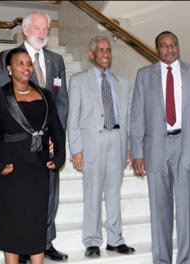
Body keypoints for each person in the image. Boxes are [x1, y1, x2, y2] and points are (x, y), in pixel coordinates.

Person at [130, 31, 190, 264]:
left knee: (187, 212)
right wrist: (137, 151)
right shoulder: (144, 76)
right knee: (160, 212)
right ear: (157, 50)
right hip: (155, 148)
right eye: (164, 46)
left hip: (187, 146)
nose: (169, 49)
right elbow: (137, 115)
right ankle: (162, 261)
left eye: (173, 44)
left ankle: (187, 260)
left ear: (179, 47)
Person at [0, 10, 69, 263]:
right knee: (20, 200)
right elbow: (3, 100)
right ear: (25, 30)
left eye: (45, 29)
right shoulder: (9, 57)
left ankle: (44, 241)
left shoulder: (56, 60)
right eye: (37, 28)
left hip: (47, 143)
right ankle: (23, 246)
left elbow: (61, 102)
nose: (42, 33)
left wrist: (55, 137)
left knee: (49, 195)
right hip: (20, 145)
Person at [0, 47, 66, 264]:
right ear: (9, 69)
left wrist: (58, 158)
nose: (26, 67)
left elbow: (56, 129)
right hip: (11, 168)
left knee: (36, 220)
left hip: (38, 167)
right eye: (20, 63)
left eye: (29, 63)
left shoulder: (45, 94)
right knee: (12, 220)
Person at [67, 36, 135, 258]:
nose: (106, 54)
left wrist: (128, 145)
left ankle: (115, 239)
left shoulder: (122, 83)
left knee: (114, 194)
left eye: (108, 50)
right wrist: (76, 149)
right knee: (93, 194)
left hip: (117, 141)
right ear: (91, 54)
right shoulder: (78, 81)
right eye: (101, 50)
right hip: (91, 144)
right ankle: (92, 241)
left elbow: (128, 117)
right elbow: (73, 118)